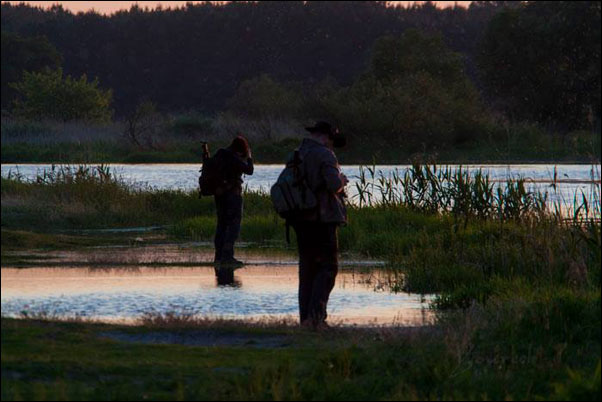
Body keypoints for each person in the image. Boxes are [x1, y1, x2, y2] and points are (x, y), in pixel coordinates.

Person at [292, 121, 348, 330]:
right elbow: (334, 185)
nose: (332, 145)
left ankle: (305, 319)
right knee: (327, 268)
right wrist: (342, 179)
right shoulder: (325, 155)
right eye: (332, 141)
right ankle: (317, 319)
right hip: (322, 219)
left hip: (301, 219)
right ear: (325, 137)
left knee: (307, 270)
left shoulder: (298, 153)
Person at [212, 135, 254, 267]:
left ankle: (218, 257)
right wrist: (249, 158)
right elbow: (249, 171)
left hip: (219, 195)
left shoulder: (219, 155)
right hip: (232, 196)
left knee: (221, 225)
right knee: (233, 227)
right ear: (241, 149)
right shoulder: (234, 158)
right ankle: (227, 257)